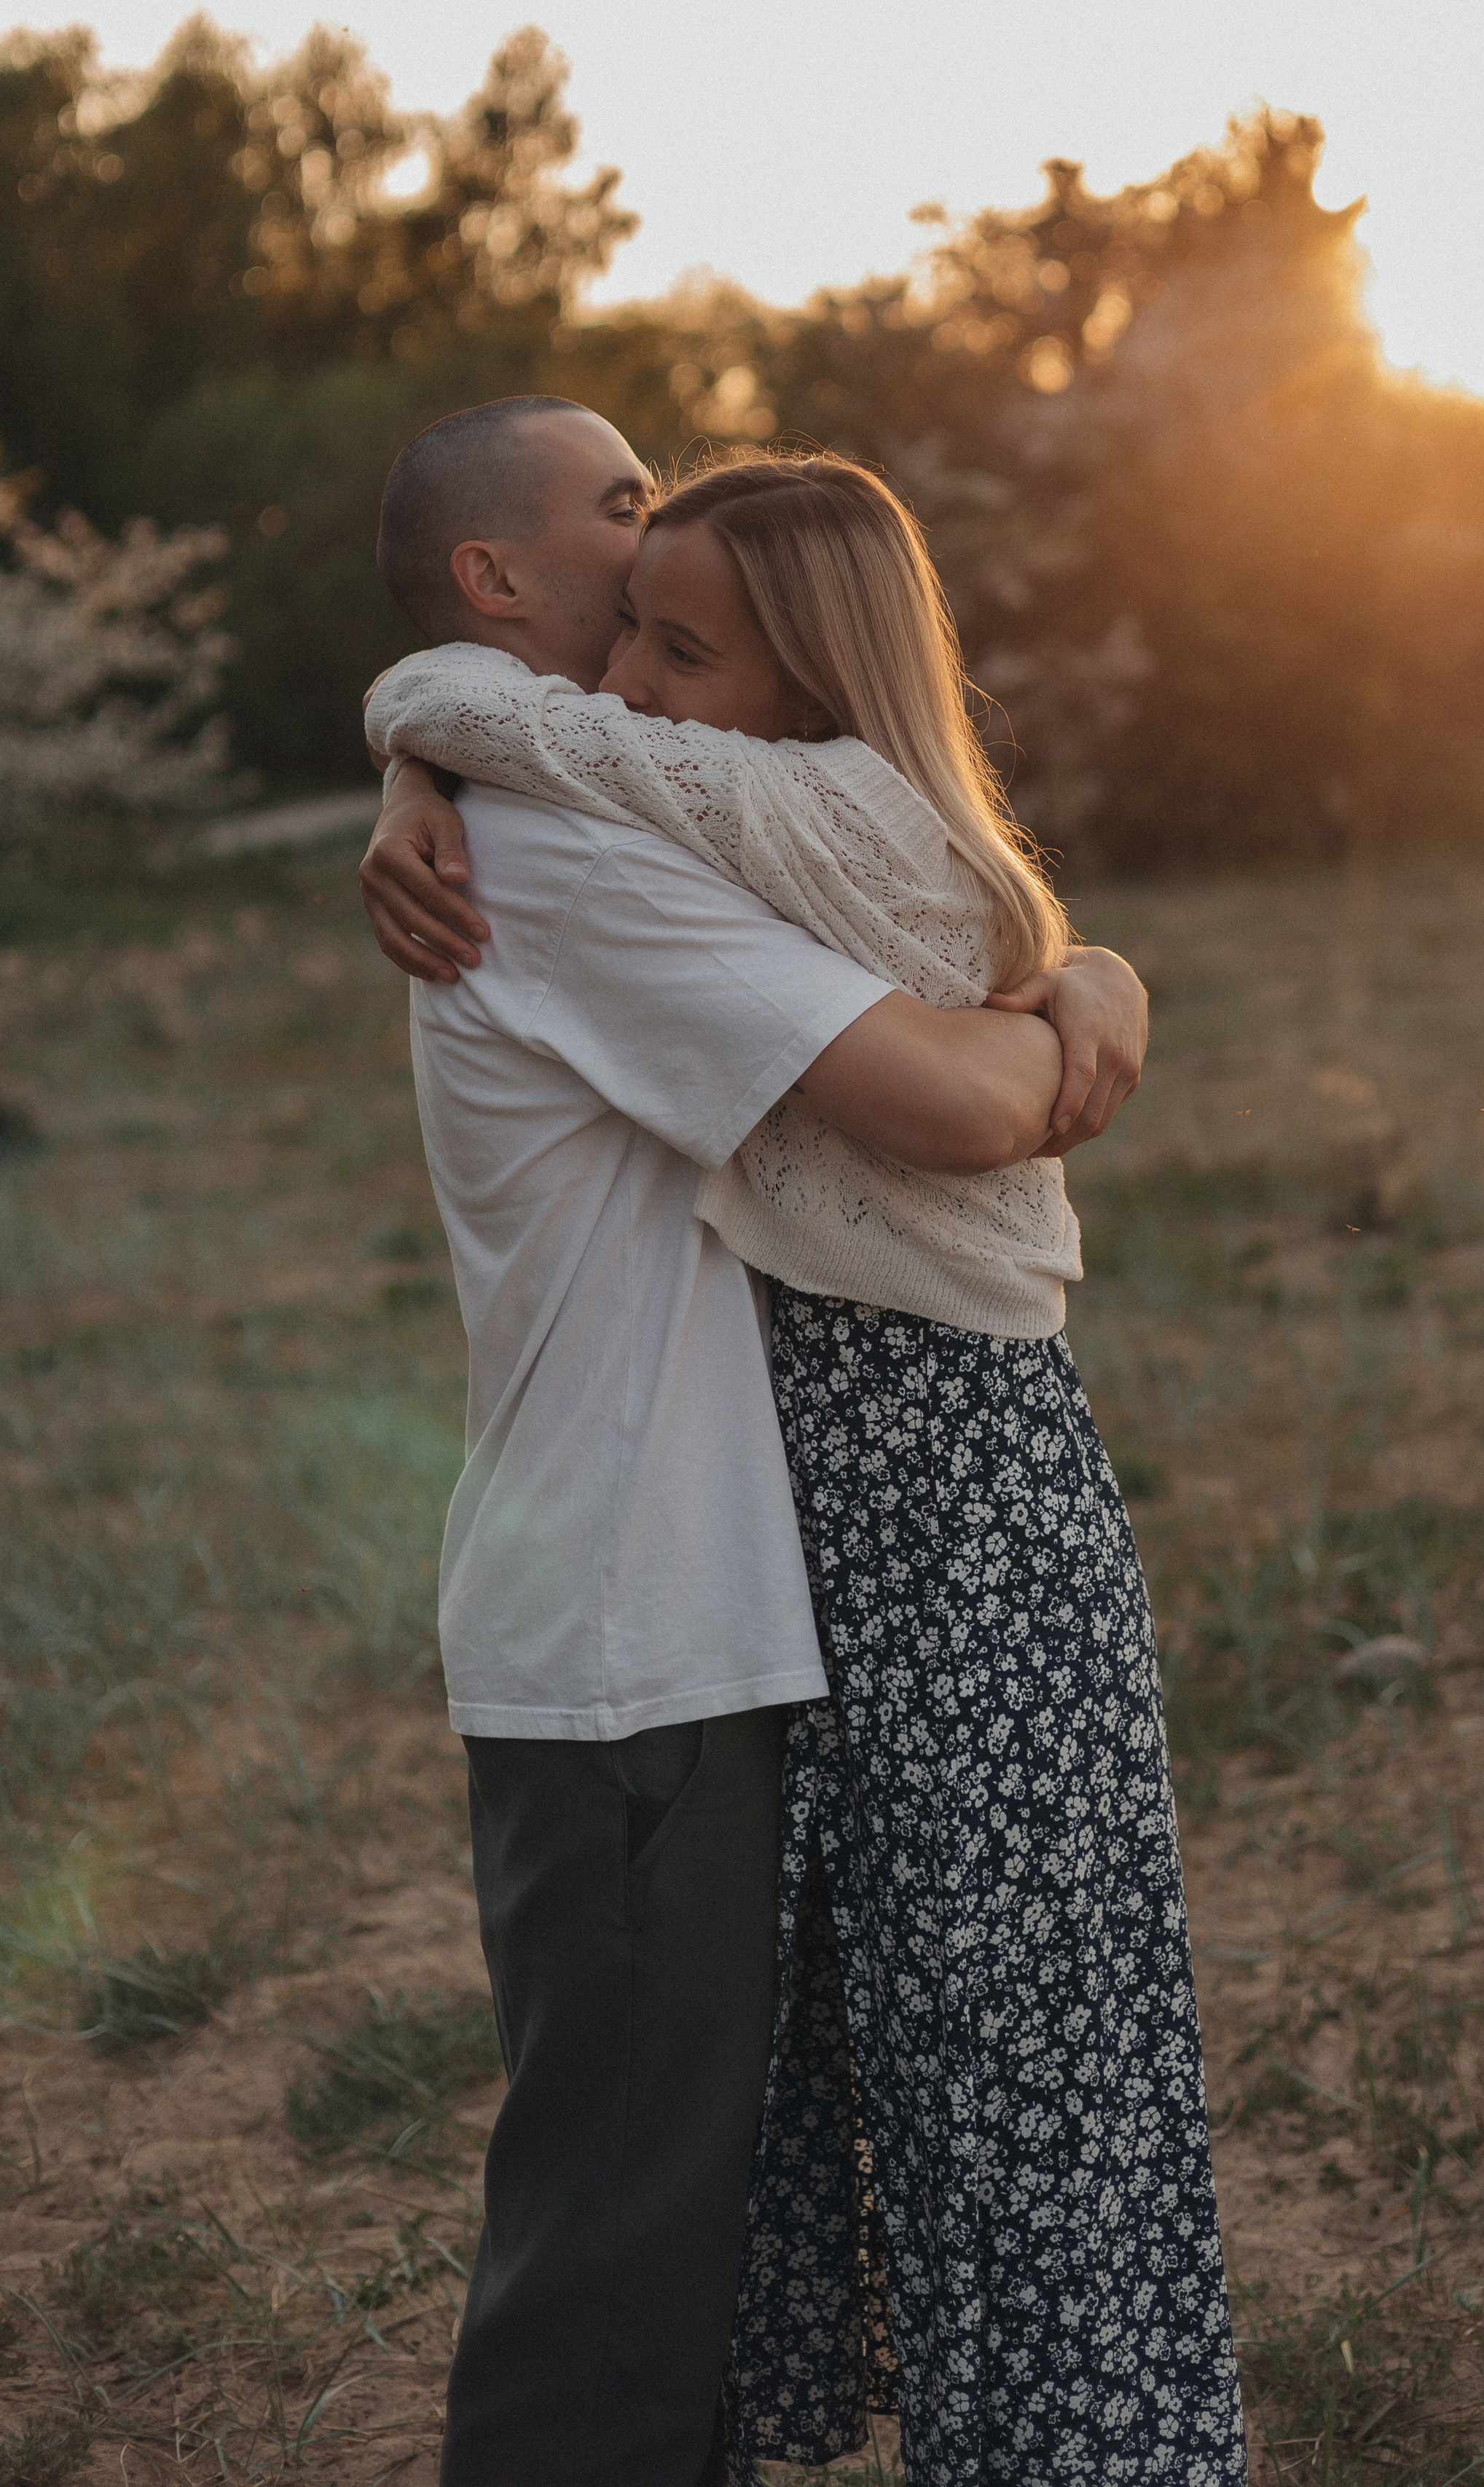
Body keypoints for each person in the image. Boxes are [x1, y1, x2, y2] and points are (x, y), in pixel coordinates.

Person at [365, 441, 1248, 2486]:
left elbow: (909, 866)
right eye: (615, 497)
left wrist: (1088, 956)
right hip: (640, 1623)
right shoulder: (571, 844)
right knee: (620, 2267)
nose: (644, 505)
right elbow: (949, 1091)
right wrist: (1084, 1015)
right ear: (501, 575)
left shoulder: (606, 803)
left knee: (680, 2234)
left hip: (721, 1603)